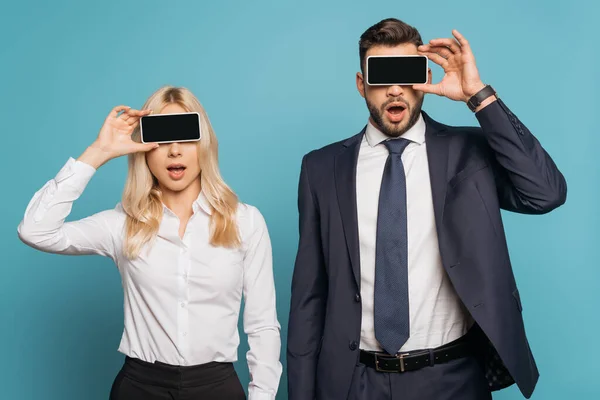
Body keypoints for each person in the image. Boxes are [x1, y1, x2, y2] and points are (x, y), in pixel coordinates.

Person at [287, 18, 566, 400]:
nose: (395, 90)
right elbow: (308, 297)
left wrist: (477, 96)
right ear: (360, 84)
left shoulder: (470, 154)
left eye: (406, 74)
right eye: (382, 76)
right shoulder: (321, 169)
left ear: (426, 77)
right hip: (355, 382)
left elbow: (546, 192)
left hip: (451, 377)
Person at [17, 86, 282, 400]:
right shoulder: (122, 223)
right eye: (162, 139)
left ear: (204, 145)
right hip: (140, 387)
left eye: (186, 138)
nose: (174, 151)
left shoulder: (245, 221)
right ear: (144, 148)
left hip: (217, 386)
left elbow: (263, 324)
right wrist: (98, 152)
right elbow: (35, 230)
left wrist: (262, 395)